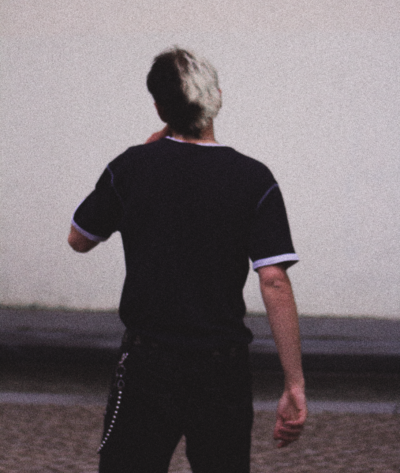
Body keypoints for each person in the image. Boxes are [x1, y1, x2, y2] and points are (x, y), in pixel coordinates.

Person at [68, 47, 307, 473]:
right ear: (217, 97)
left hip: (146, 363)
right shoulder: (254, 178)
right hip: (222, 368)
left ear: (159, 108)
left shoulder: (131, 167)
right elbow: (273, 280)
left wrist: (148, 150)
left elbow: (79, 239)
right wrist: (294, 383)